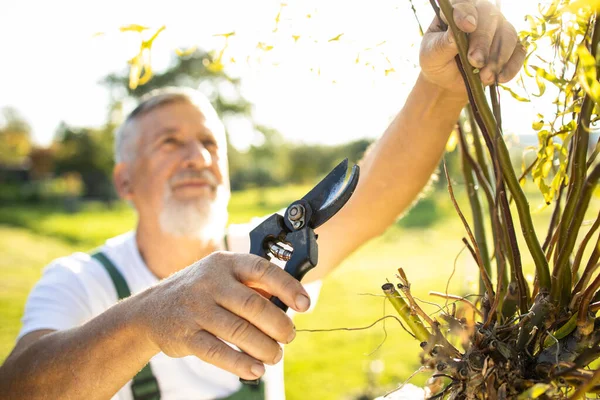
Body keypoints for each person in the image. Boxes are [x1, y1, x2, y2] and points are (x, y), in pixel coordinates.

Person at [0, 2, 525, 399]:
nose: (197, 157)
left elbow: (375, 193)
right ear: (124, 182)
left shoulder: (265, 255)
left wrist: (443, 85)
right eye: (169, 143)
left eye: (210, 143)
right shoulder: (80, 281)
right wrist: (148, 317)